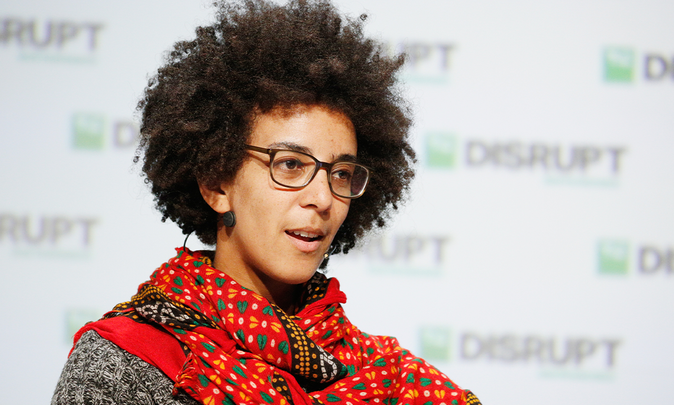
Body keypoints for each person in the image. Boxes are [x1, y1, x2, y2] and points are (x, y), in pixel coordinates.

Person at [52, 1, 481, 404]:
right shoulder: (129, 362)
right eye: (290, 165)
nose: (322, 198)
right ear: (217, 184)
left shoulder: (388, 376)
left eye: (342, 174)